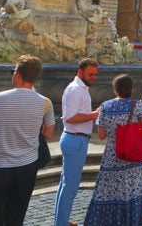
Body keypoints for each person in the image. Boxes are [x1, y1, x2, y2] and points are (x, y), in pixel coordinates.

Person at [0, 55, 55, 225]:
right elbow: (48, 133)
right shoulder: (45, 102)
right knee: (16, 216)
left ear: (18, 74)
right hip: (27, 166)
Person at [84, 74, 142, 225]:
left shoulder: (105, 106)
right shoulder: (137, 106)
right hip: (132, 158)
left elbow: (101, 135)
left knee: (108, 193)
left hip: (112, 157)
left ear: (115, 90)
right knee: (131, 192)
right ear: (131, 89)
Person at [55, 58, 99, 226]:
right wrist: (94, 114)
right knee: (70, 187)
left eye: (95, 74)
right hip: (75, 140)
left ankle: (62, 221)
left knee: (65, 185)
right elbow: (70, 118)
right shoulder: (76, 90)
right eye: (90, 74)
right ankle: (61, 223)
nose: (93, 77)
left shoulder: (80, 88)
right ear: (80, 72)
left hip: (75, 139)